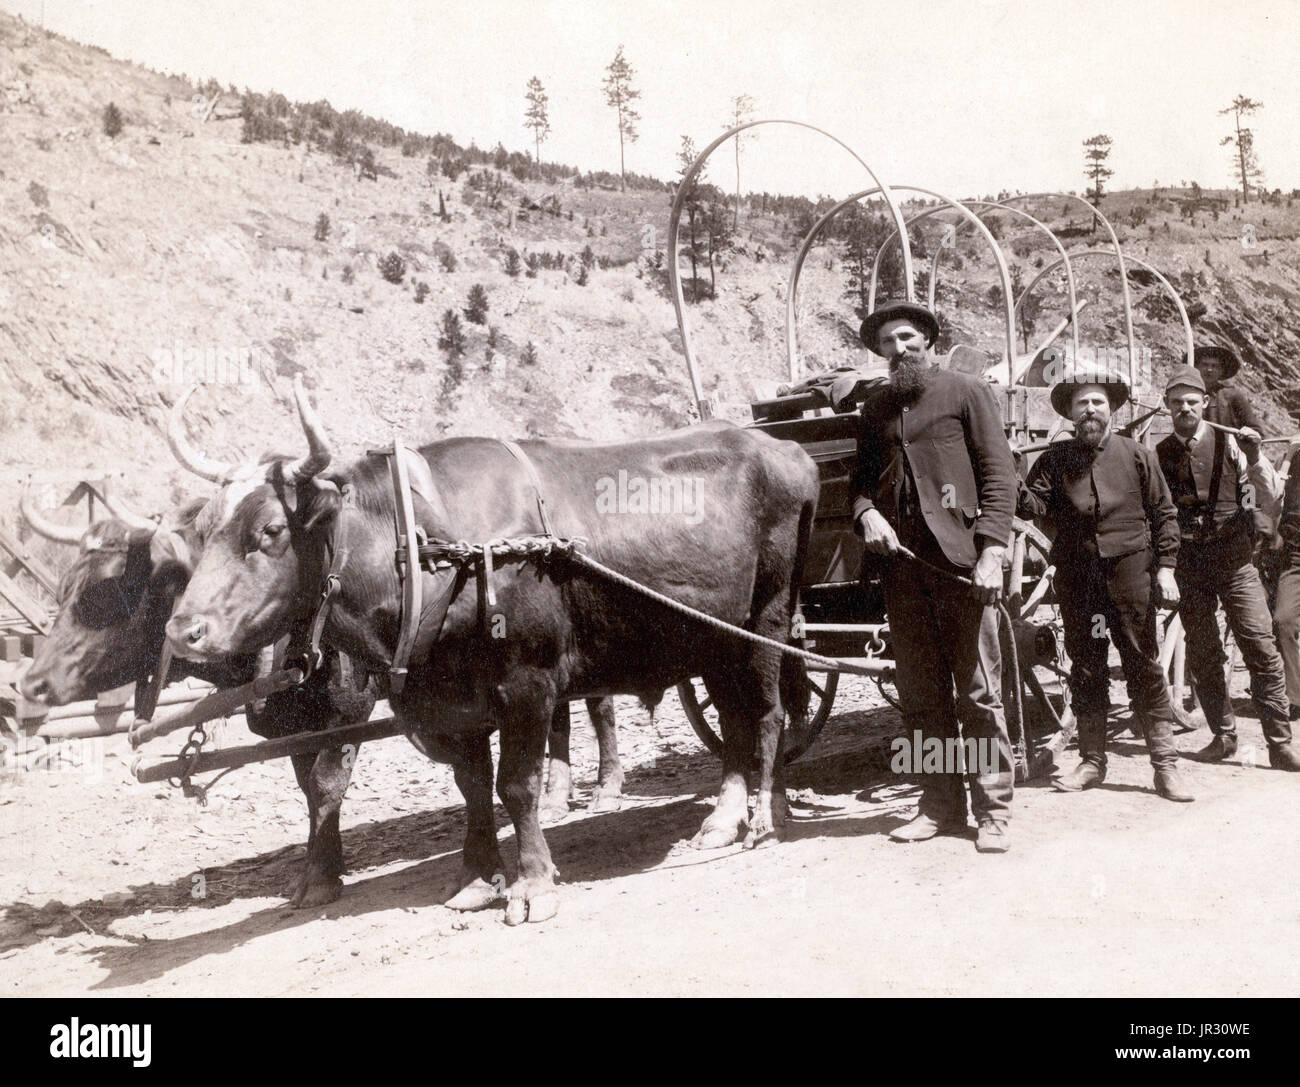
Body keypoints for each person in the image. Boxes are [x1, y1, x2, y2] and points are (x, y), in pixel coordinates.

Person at [850, 300, 1017, 853]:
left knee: (978, 692)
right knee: (921, 697)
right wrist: (865, 512)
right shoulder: (876, 407)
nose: (898, 349)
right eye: (887, 343)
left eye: (906, 338)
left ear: (927, 340)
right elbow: (859, 483)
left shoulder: (965, 391)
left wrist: (993, 550)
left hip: (961, 564)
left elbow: (998, 473)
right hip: (902, 570)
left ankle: (993, 811)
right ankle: (939, 805)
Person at [1018, 365, 1194, 801]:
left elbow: (1164, 514)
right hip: (1080, 581)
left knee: (1141, 661)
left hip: (1130, 576)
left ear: (1111, 409)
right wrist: (1002, 467)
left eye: (1098, 401)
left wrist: (1167, 568)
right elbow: (1031, 505)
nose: (1091, 409)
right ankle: (1093, 763)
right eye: (1083, 404)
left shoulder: (1138, 455)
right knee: (1087, 666)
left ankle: (1165, 766)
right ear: (1072, 415)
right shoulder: (1054, 460)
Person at [1154, 367, 1299, 771]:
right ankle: (1223, 736)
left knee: (1259, 644)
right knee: (1203, 652)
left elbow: (1268, 497)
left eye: (1192, 401)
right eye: (1177, 402)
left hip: (1235, 563)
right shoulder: (1158, 454)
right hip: (1189, 566)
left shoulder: (1233, 445)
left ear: (1204, 403)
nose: (1185, 408)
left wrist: (1254, 456)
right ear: (1167, 406)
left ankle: (1279, 743)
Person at [1272, 453, 1300, 723]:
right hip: (1295, 558)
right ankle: (1295, 697)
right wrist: (1288, 462)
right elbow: (1272, 497)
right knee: (1283, 621)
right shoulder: (1290, 459)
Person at [1190, 344, 1265, 437]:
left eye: (1215, 366)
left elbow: (1256, 431)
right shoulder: (1188, 393)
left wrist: (1248, 433)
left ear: (1221, 371)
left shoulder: (1232, 395)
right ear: (1196, 367)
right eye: (1205, 364)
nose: (1209, 369)